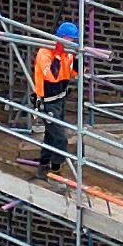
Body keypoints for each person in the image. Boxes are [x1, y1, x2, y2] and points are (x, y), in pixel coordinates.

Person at [30, 20, 80, 177]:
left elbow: (74, 73)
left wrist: (77, 58)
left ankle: (44, 163)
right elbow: (52, 76)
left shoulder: (67, 53)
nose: (73, 43)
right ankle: (56, 168)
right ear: (63, 38)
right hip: (48, 103)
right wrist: (58, 55)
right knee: (61, 138)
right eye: (72, 40)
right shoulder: (45, 53)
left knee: (51, 135)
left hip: (60, 100)